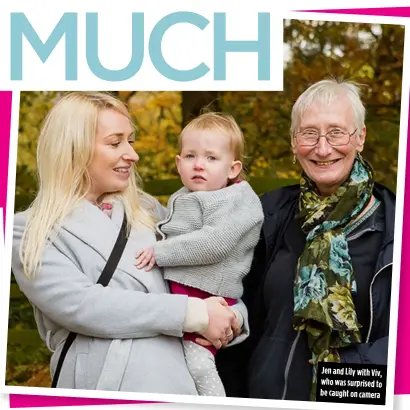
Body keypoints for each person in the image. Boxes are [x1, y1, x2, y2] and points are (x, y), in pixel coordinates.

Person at [11, 92, 248, 393]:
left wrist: (233, 314)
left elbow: (206, 270)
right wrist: (195, 314)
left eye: (131, 141)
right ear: (74, 149)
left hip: (179, 380)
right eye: (115, 143)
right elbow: (83, 306)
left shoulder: (149, 210)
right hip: (103, 384)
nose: (133, 155)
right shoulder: (29, 229)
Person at [216, 79, 395, 401]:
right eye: (309, 133)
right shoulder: (266, 213)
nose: (323, 148)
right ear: (294, 142)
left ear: (361, 138)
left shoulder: (396, 227)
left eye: (337, 132)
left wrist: (345, 376)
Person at [135, 112, 264, 396]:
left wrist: (160, 252)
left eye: (211, 158)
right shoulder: (185, 195)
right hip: (184, 298)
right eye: (191, 156)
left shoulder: (239, 201)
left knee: (198, 365)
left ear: (233, 168)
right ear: (179, 163)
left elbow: (213, 243)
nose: (199, 165)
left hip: (210, 296)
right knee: (172, 367)